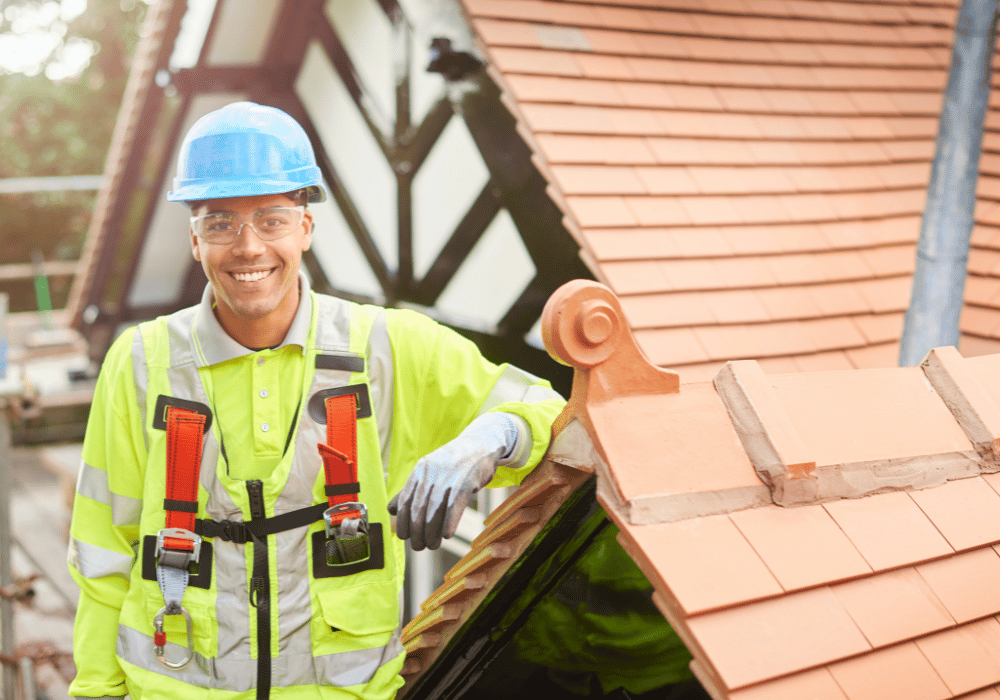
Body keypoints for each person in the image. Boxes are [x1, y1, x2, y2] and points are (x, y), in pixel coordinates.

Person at [67, 101, 564, 700]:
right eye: (221, 222)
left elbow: (545, 406)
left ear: (305, 226)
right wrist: (95, 691)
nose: (248, 247)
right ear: (194, 239)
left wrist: (487, 439)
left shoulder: (387, 350)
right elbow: (102, 551)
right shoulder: (142, 363)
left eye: (272, 219)